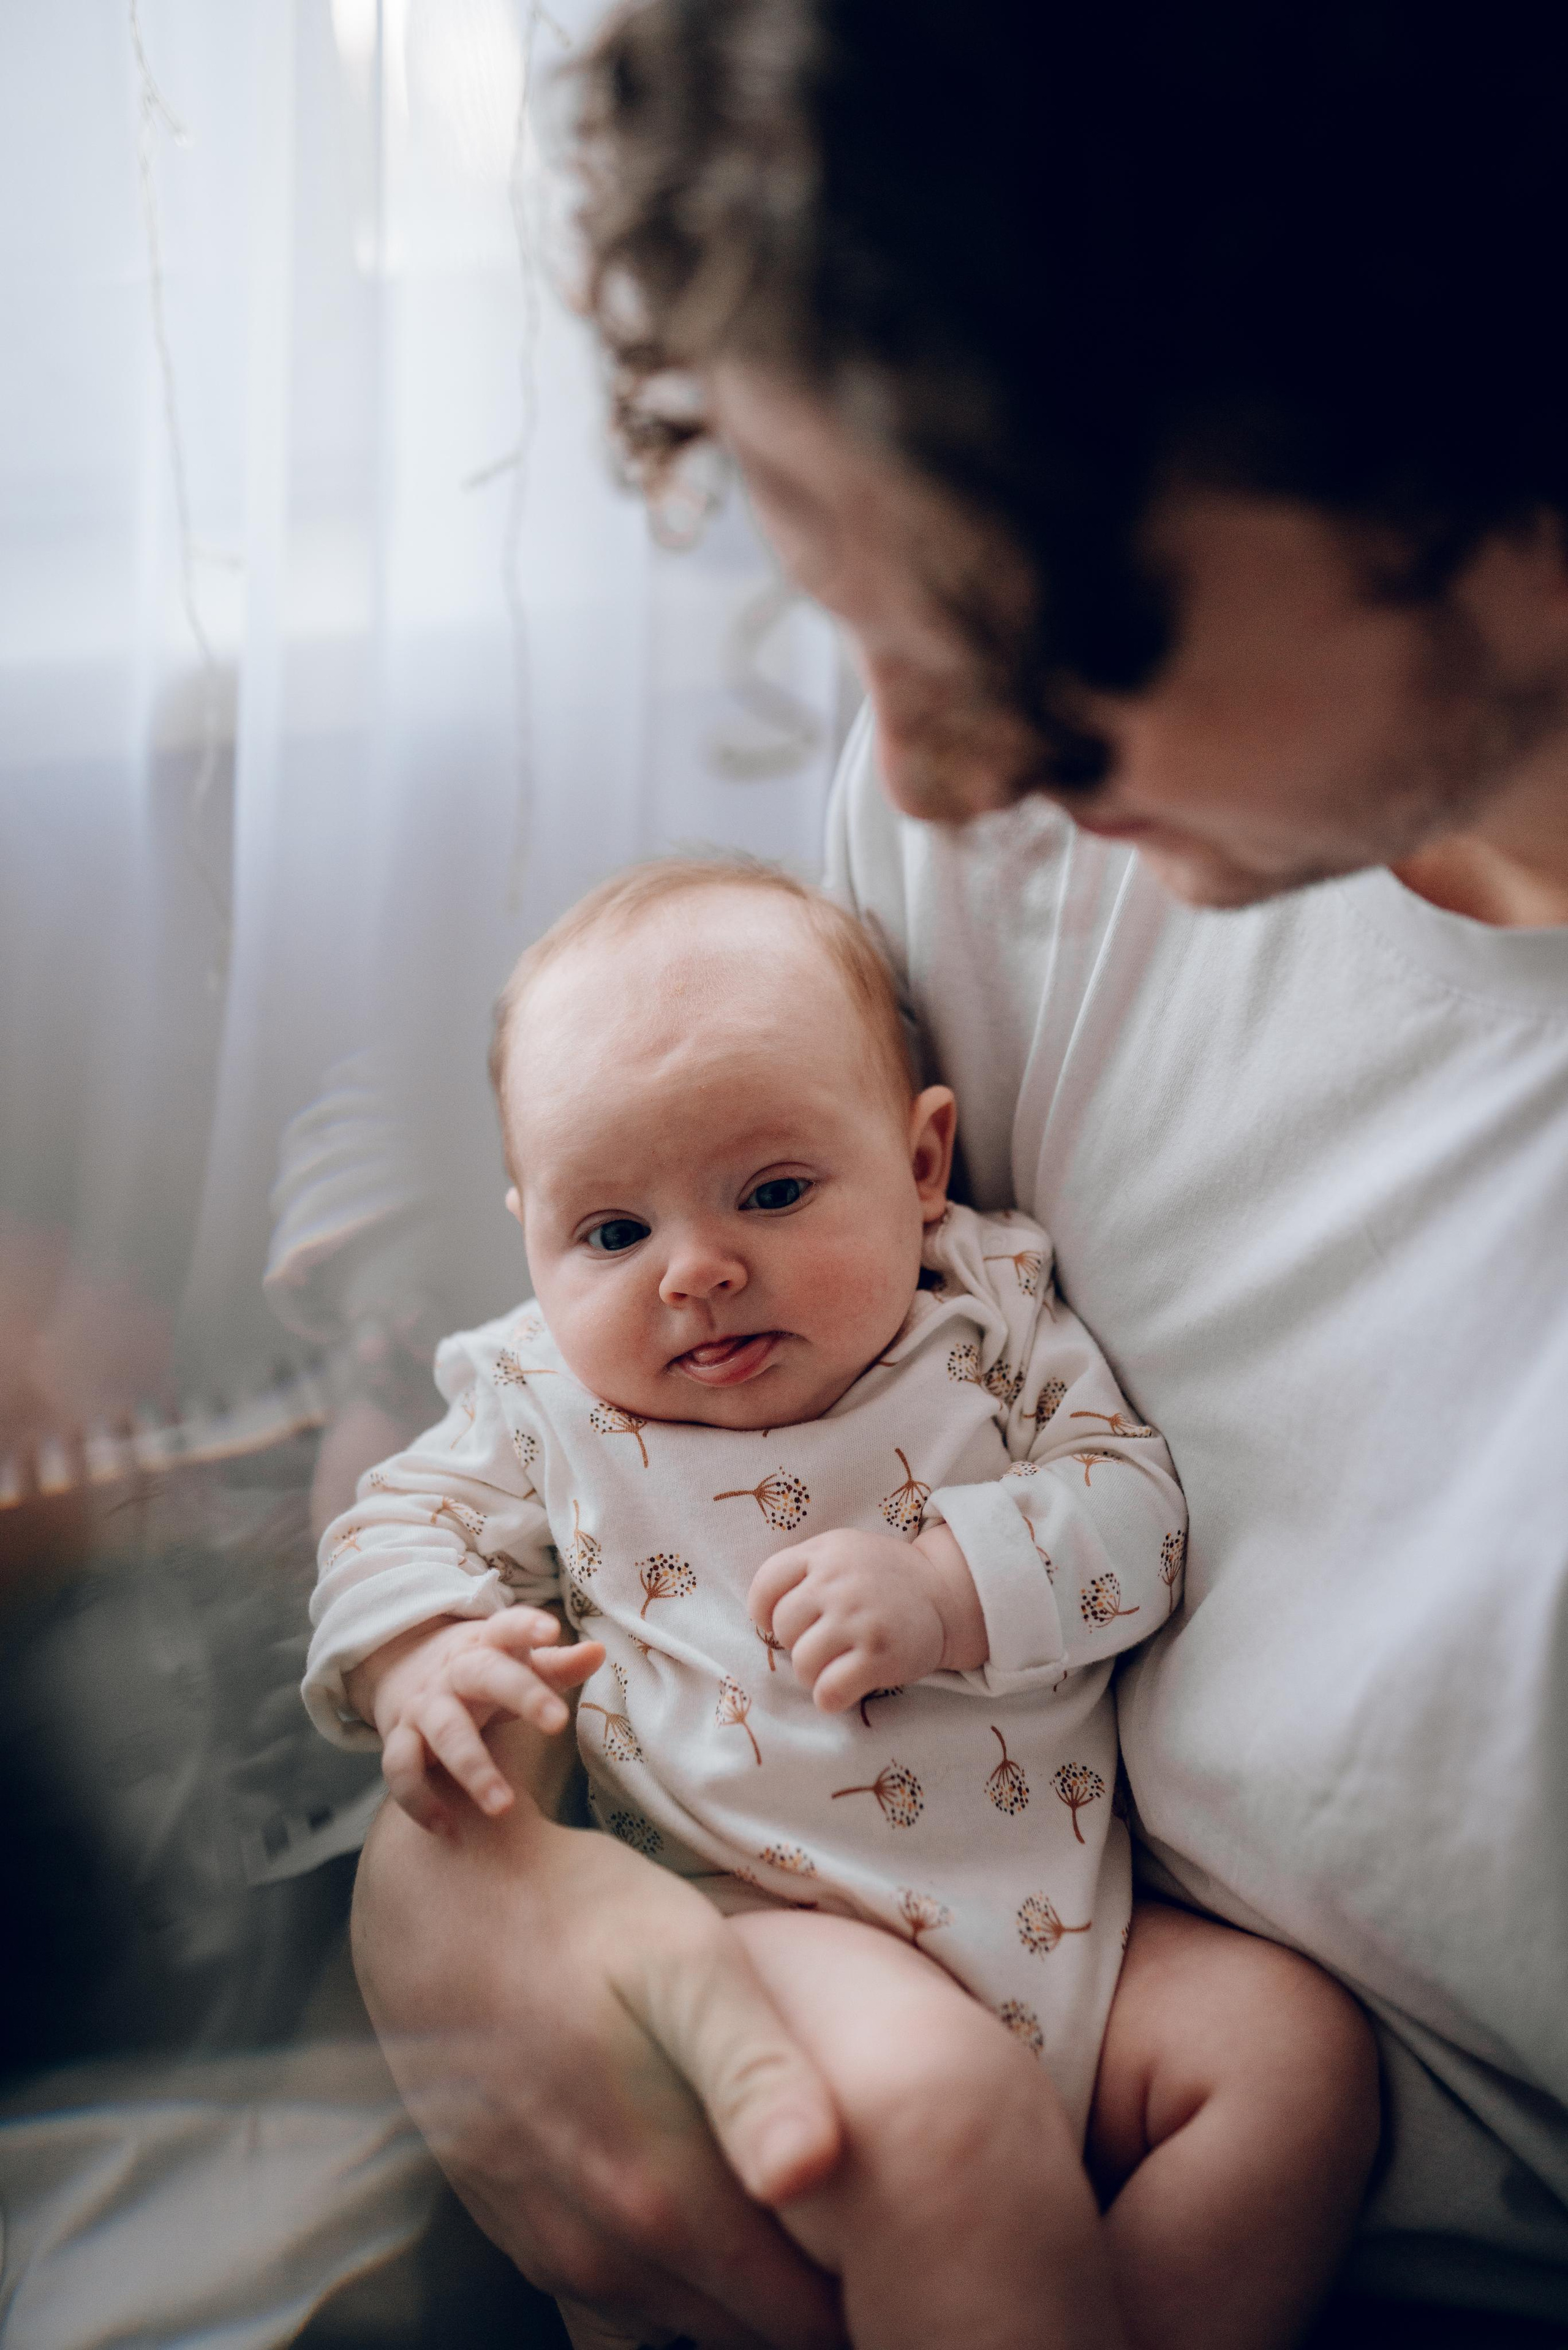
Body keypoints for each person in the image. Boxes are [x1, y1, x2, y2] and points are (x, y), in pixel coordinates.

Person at [348, 4, 1568, 2344]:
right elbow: (593, 1432)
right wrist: (458, 1889)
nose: (927, 756)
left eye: (1029, 611)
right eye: (863, 608)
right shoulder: (1049, 827)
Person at [305, 858, 1374, 2350]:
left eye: (773, 1190)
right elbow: (393, 1524)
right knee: (942, 2131)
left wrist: (950, 1583)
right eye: (608, 1231)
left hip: (1075, 1928)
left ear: (921, 1161)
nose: (696, 1269)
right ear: (530, 1229)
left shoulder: (986, 1312)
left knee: (1294, 2063)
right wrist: (419, 1654)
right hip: (760, 1920)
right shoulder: (536, 1397)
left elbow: (1135, 1509)